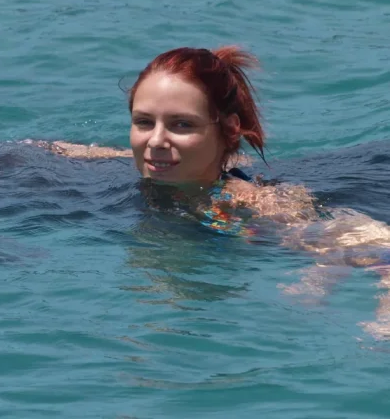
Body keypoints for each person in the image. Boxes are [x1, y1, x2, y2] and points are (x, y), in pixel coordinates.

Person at [29, 46, 390, 339]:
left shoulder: (249, 201)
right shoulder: (133, 162)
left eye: (181, 125)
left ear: (230, 129)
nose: (155, 141)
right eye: (143, 122)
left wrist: (359, 305)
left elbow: (378, 246)